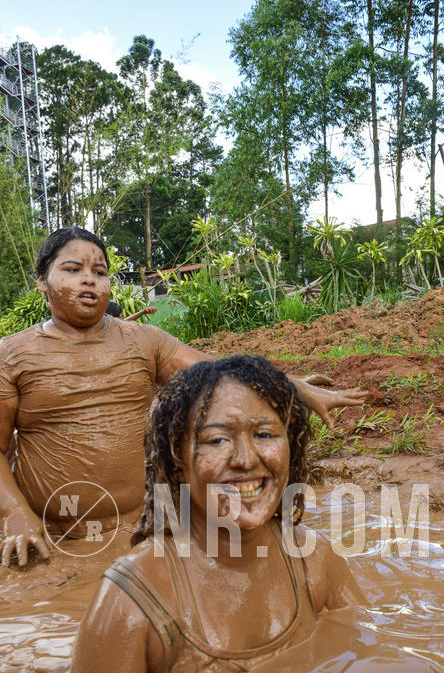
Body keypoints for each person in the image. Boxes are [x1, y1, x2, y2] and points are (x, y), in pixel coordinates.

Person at [71, 355, 444, 673]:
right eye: (214, 440)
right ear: (177, 463)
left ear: (291, 450)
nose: (246, 459)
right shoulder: (132, 600)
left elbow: (377, 659)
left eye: (264, 434)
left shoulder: (314, 561)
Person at [0, 227, 366, 568]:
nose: (89, 279)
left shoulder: (144, 340)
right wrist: (15, 513)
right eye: (72, 269)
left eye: (99, 270)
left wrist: (296, 387)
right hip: (51, 538)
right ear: (42, 283)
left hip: (146, 528)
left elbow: (220, 374)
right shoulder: (11, 355)